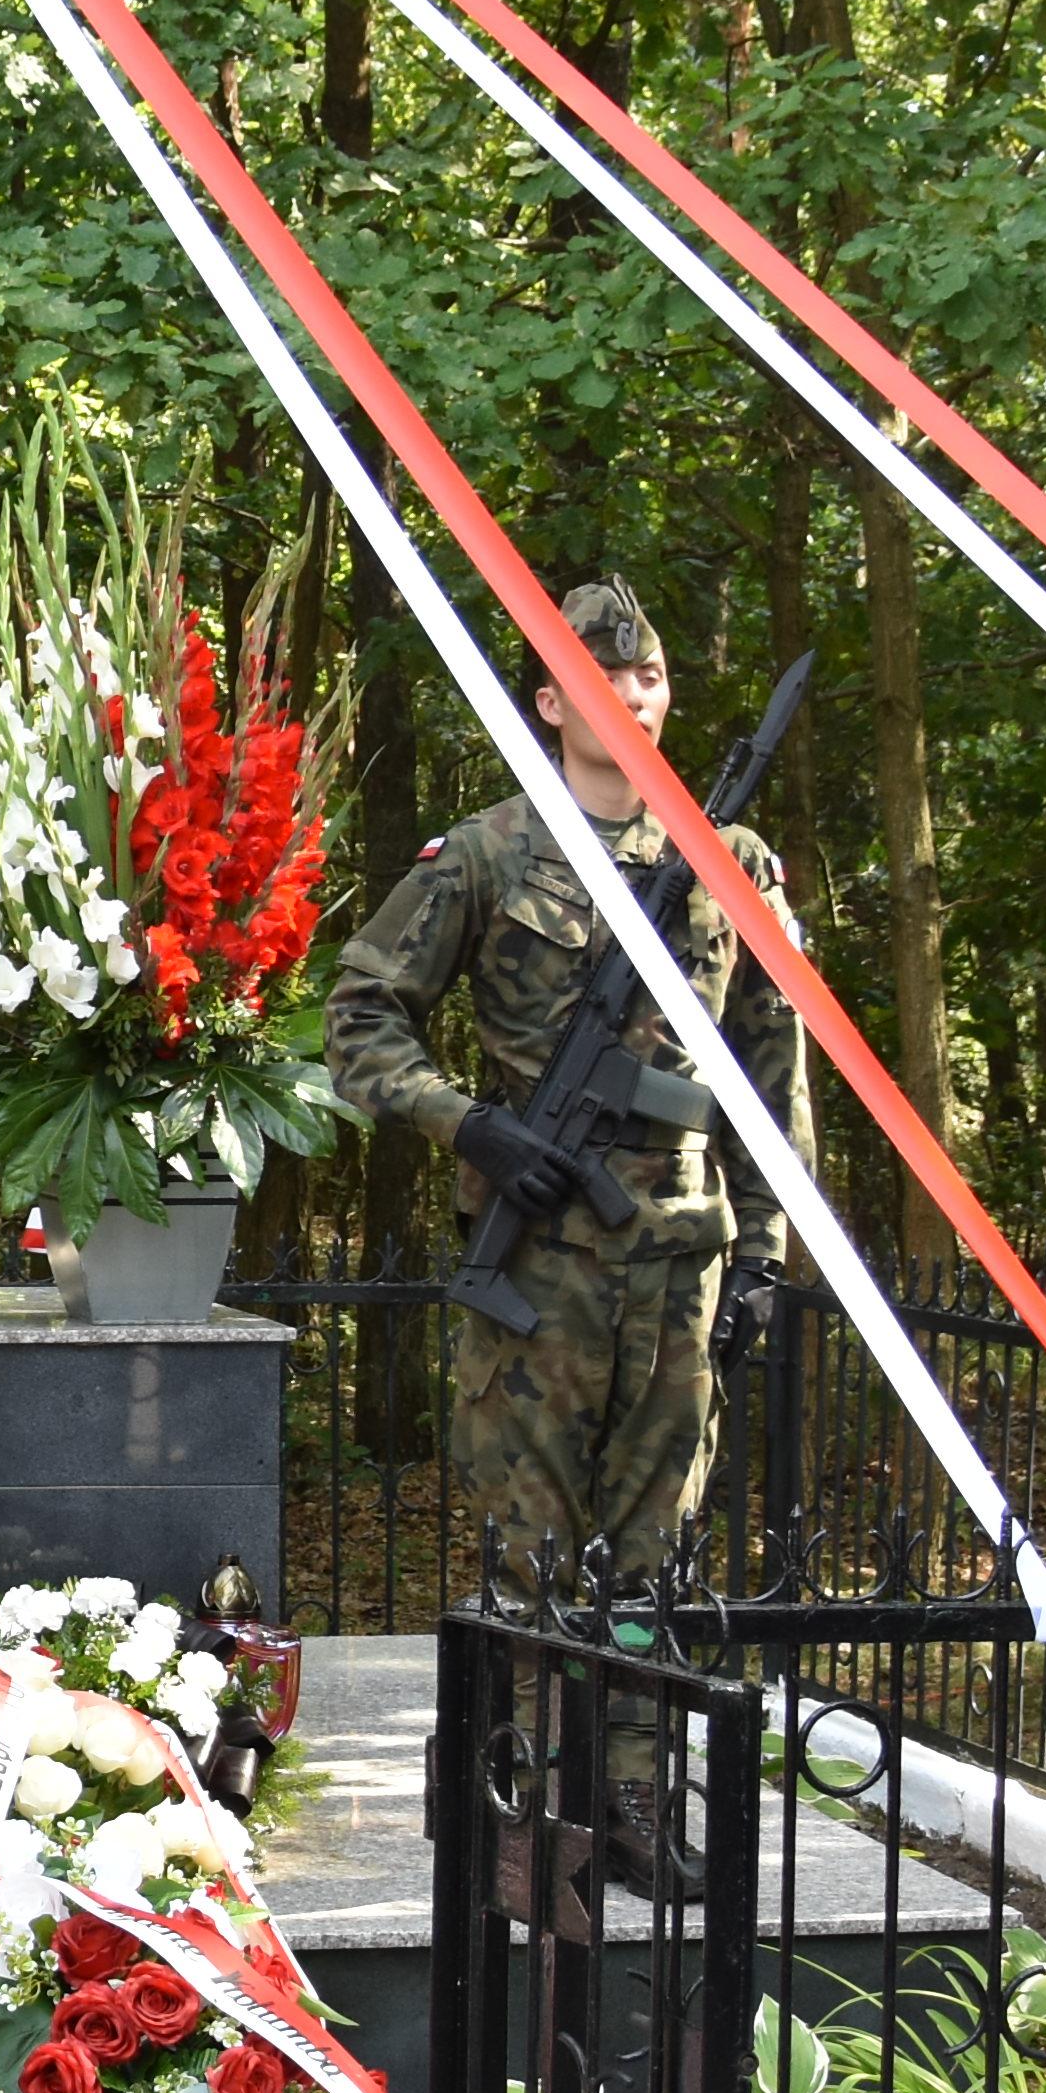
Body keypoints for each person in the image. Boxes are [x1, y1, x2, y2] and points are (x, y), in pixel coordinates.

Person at [326, 580, 805, 1592]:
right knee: (530, 1571)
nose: (630, 695)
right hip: (540, 1259)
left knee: (657, 1576)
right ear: (548, 701)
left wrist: (764, 1250)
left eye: (650, 675)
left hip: (683, 1257)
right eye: (601, 674)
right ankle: (526, 1707)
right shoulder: (490, 850)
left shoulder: (733, 863)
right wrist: (469, 1125)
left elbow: (772, 1071)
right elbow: (361, 1015)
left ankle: (635, 1705)